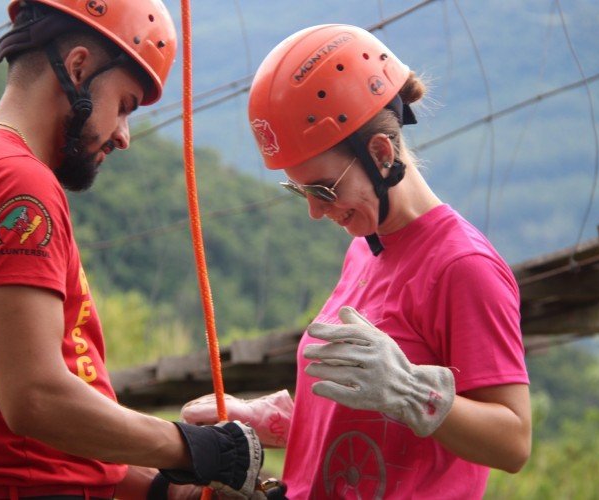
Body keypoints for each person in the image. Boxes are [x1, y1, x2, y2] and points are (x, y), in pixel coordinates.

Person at [0, 1, 266, 498]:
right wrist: (195, 448)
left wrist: (168, 491)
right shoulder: (16, 184)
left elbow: (24, 438)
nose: (124, 136)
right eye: (125, 105)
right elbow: (36, 398)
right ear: (77, 68)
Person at [181, 24, 531, 499]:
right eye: (300, 190)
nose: (314, 211)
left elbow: (513, 441)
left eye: (324, 189)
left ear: (381, 154)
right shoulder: (365, 248)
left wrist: (411, 392)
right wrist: (286, 421)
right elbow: (368, 405)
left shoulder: (462, 266)